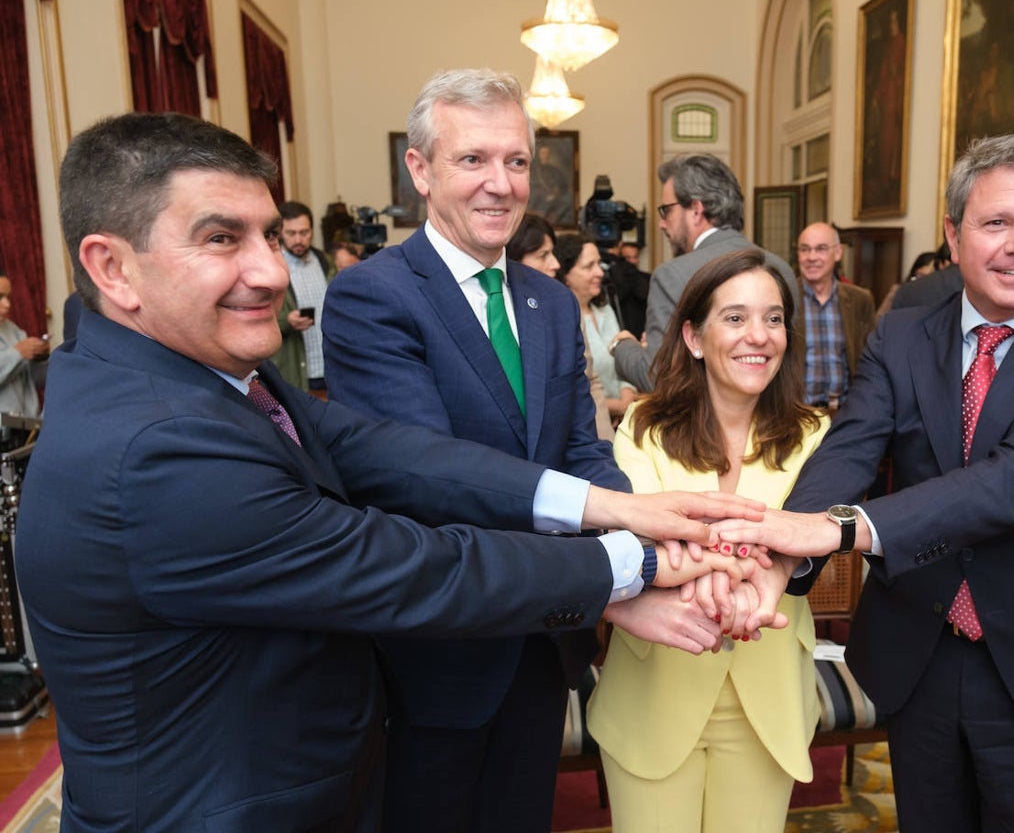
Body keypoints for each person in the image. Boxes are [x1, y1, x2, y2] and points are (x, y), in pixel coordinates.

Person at [20, 110, 764, 832]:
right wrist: (632, 565)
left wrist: (610, 508)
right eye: (221, 239)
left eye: (270, 237)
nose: (271, 272)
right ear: (112, 267)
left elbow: (392, 452)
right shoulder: (159, 444)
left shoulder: (208, 378)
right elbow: (408, 565)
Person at [714, 131, 1014, 832]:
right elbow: (849, 451)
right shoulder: (900, 336)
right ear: (953, 237)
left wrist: (839, 530)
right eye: (996, 223)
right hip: (918, 653)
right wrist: (781, 557)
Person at [322, 70, 654, 833]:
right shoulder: (375, 295)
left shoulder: (547, 303)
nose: (500, 185)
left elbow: (581, 449)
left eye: (515, 161)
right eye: (473, 160)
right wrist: (616, 536)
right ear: (420, 169)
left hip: (544, 642)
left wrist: (639, 536)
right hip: (438, 654)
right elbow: (425, 475)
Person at [588, 249, 828, 833]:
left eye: (774, 319)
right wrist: (761, 555)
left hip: (767, 697)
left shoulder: (814, 436)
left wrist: (707, 551)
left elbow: (818, 535)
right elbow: (644, 543)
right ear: (694, 337)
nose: (760, 336)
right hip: (653, 693)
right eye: (736, 317)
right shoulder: (643, 428)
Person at [611, 154, 798, 392]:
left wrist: (622, 346)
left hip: (701, 426)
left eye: (666, 210)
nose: (661, 223)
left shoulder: (672, 275)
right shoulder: (782, 268)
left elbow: (658, 377)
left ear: (696, 210)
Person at [508, 214, 614, 440]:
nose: (555, 264)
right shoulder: (492, 313)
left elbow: (589, 382)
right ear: (513, 258)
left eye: (553, 253)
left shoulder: (563, 309)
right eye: (543, 255)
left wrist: (607, 449)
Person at [555, 233, 637, 425]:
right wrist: (618, 406)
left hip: (624, 419)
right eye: (588, 266)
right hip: (590, 423)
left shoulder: (605, 309)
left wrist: (626, 401)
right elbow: (572, 389)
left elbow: (622, 364)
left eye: (599, 264)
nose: (600, 272)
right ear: (565, 275)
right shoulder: (561, 320)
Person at [794, 222, 875, 410]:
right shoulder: (783, 298)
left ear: (838, 252)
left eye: (821, 249)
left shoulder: (859, 300)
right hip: (797, 413)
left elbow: (871, 361)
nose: (811, 257)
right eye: (805, 250)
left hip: (846, 412)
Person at [272, 200, 336, 393]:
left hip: (329, 369)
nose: (298, 239)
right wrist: (286, 321)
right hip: (295, 371)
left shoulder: (325, 260)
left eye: (304, 232)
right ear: (280, 232)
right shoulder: (271, 266)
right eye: (291, 233)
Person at [0, 273, 48, 416]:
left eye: (8, 297)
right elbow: (18, 355)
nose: (7, 304)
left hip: (24, 422)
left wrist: (40, 357)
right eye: (0, 297)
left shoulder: (14, 330)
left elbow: (33, 378)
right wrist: (18, 352)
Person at [875, 250, 938, 317]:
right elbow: (880, 318)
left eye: (929, 277)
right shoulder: (899, 290)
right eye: (920, 275)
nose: (924, 281)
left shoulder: (939, 294)